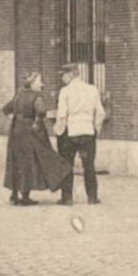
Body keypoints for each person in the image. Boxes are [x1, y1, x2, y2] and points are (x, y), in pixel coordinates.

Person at [1, 71, 71, 205]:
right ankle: (25, 197)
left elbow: (6, 109)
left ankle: (14, 195)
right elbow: (41, 112)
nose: (42, 84)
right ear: (32, 83)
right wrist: (36, 123)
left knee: (16, 160)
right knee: (29, 162)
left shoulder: (19, 94)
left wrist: (16, 118)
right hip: (30, 133)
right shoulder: (36, 97)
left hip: (16, 132)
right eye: (40, 81)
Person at [53, 64, 106, 205]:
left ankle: (67, 198)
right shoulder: (92, 89)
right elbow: (100, 113)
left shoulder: (65, 91)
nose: (62, 78)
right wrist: (96, 130)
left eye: (63, 75)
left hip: (71, 133)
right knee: (89, 165)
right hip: (88, 132)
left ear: (71, 74)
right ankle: (92, 197)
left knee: (67, 165)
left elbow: (62, 116)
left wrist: (58, 131)